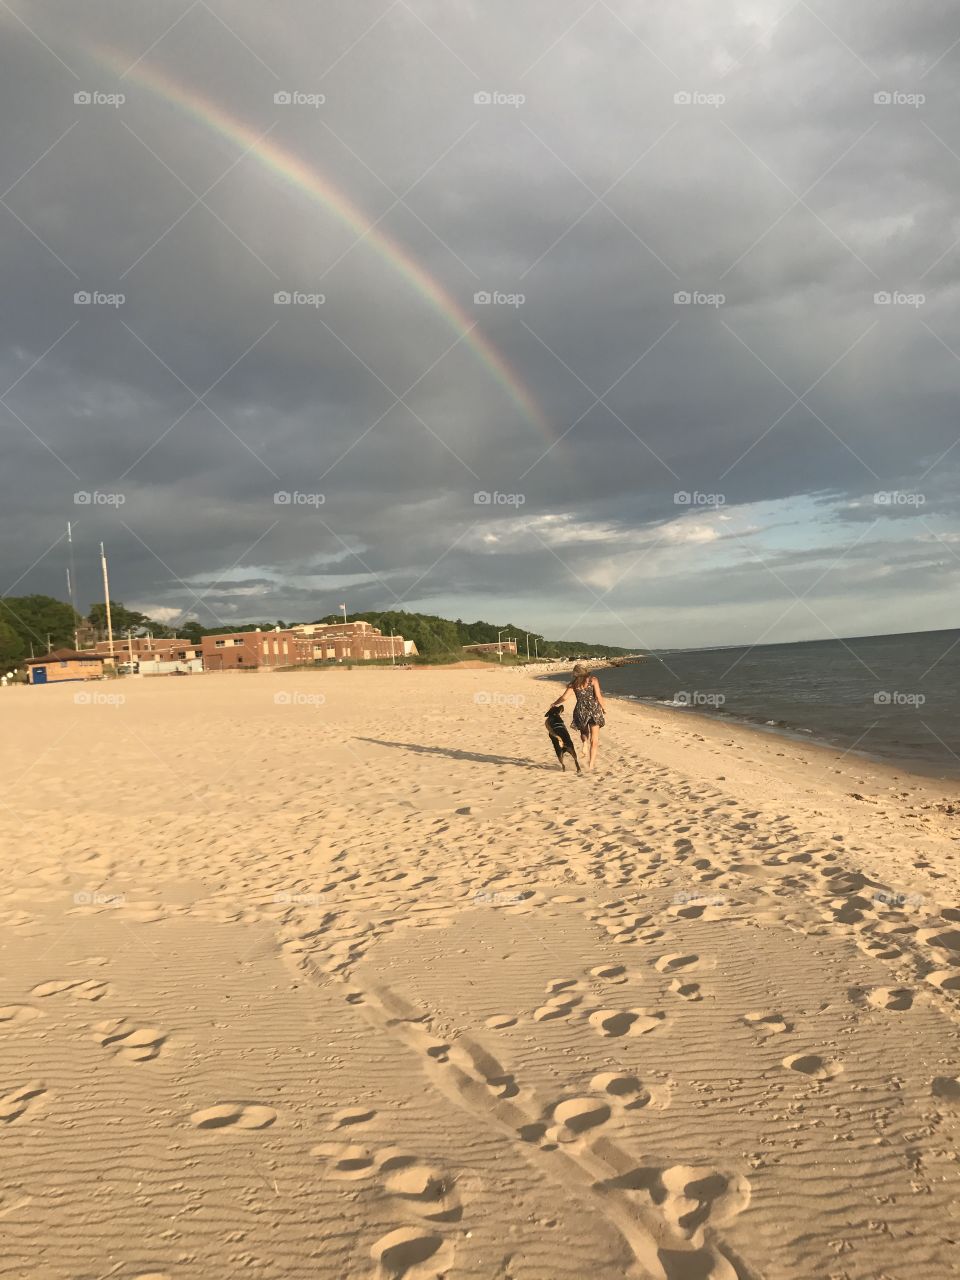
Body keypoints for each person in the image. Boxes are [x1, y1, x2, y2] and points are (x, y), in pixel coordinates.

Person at [548, 663, 606, 772]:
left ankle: (584, 743)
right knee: (594, 739)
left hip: (580, 711)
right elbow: (598, 697)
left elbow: (564, 697)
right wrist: (603, 708)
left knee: (584, 732)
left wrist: (555, 703)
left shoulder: (573, 684)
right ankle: (591, 765)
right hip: (594, 710)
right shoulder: (593, 680)